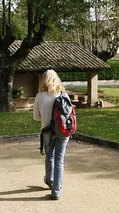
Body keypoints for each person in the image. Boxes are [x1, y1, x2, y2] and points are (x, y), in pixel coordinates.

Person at [33, 69, 70, 200]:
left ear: (44, 80)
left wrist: (46, 117)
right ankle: (56, 191)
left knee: (50, 157)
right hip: (63, 131)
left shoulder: (40, 96)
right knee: (59, 160)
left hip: (47, 131)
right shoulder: (64, 95)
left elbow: (36, 117)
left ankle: (50, 180)